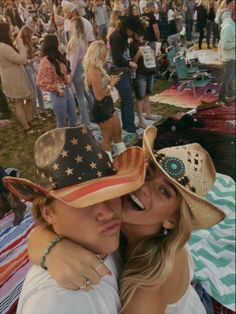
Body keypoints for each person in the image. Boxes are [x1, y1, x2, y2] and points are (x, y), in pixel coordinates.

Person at [26, 125, 225, 314]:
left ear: (171, 220)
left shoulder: (151, 282)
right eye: (147, 174)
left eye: (164, 192)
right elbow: (39, 229)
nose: (146, 188)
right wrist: (51, 248)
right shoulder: (114, 224)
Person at [4, 125, 145, 314]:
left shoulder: (108, 239)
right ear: (48, 213)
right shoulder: (61, 303)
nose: (108, 212)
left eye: (110, 192)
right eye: (84, 202)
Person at [83, 40, 126, 160]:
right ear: (96, 53)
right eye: (103, 53)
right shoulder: (94, 70)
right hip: (101, 108)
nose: (105, 55)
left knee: (117, 133)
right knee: (107, 137)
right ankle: (108, 165)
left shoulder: (99, 67)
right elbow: (99, 96)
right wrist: (111, 84)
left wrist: (110, 80)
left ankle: (125, 158)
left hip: (108, 105)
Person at [36, 34, 78, 128]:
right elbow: (40, 82)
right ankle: (61, 141)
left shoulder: (58, 56)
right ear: (54, 44)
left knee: (73, 118)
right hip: (57, 95)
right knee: (62, 122)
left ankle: (73, 138)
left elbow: (66, 71)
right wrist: (56, 87)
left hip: (67, 91)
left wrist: (68, 76)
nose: (59, 43)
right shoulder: (45, 62)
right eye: (57, 41)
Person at [0, 22, 34, 134]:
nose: (11, 32)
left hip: (13, 77)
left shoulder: (4, 45)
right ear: (5, 33)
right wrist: (19, 42)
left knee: (28, 98)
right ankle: (27, 127)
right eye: (9, 31)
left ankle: (30, 121)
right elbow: (22, 60)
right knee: (18, 103)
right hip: (13, 78)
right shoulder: (3, 47)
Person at [67, 16, 93, 127]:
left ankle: (85, 121)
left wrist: (70, 75)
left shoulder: (75, 42)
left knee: (80, 96)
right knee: (87, 94)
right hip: (84, 67)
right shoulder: (83, 39)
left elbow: (73, 61)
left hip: (78, 69)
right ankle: (93, 115)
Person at [217, 8, 235, 106]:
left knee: (231, 78)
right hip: (229, 58)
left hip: (233, 56)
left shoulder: (233, 25)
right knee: (226, 80)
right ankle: (221, 98)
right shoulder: (228, 27)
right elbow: (224, 45)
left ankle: (232, 95)